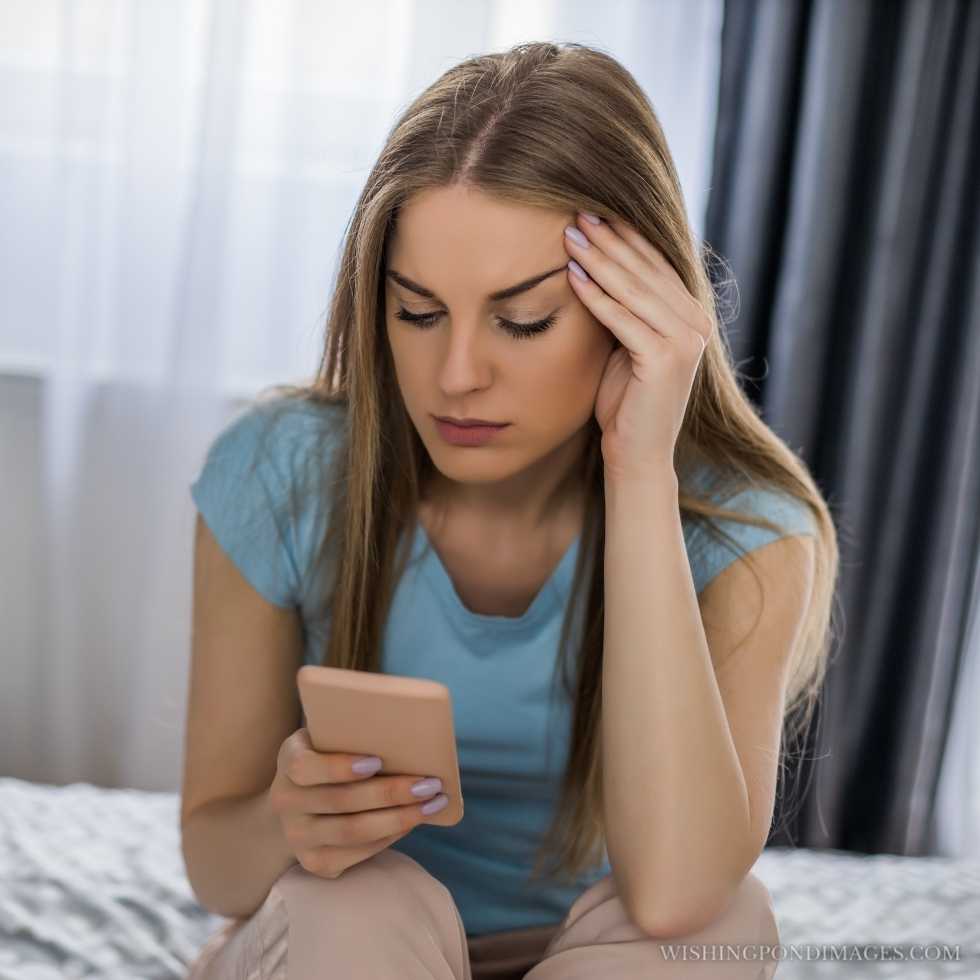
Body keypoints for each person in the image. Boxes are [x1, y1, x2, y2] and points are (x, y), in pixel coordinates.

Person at [181, 40, 838, 979]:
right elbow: (215, 868)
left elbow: (677, 895)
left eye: (522, 321)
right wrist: (289, 820)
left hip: (580, 958)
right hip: (344, 948)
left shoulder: (747, 531)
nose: (456, 378)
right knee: (364, 899)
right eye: (416, 312)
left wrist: (640, 468)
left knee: (719, 922)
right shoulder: (277, 473)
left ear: (636, 308)